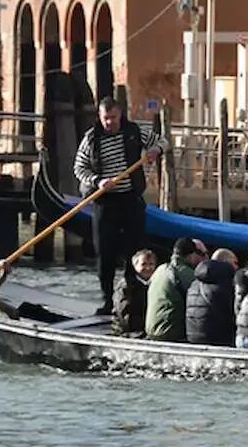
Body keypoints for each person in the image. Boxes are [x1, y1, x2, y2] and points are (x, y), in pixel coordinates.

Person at [74, 96, 167, 317]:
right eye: (106, 119)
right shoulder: (91, 138)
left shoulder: (134, 131)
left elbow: (162, 141)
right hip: (104, 203)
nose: (109, 123)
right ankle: (108, 301)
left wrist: (156, 151)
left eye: (113, 118)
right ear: (100, 117)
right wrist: (98, 181)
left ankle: (132, 298)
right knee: (104, 254)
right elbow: (79, 168)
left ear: (120, 115)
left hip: (131, 200)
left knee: (134, 252)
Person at [145, 237, 206, 341]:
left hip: (151, 331)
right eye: (203, 255)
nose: (205, 259)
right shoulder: (188, 275)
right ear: (192, 255)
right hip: (171, 333)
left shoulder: (160, 270)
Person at [186, 248, 238, 346]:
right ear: (225, 263)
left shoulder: (194, 284)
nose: (237, 267)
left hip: (193, 337)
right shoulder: (225, 285)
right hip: (218, 339)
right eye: (234, 262)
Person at [112, 249, 157, 337]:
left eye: (151, 264)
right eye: (143, 264)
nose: (148, 268)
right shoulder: (125, 286)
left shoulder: (157, 283)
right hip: (126, 331)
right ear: (135, 265)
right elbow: (124, 314)